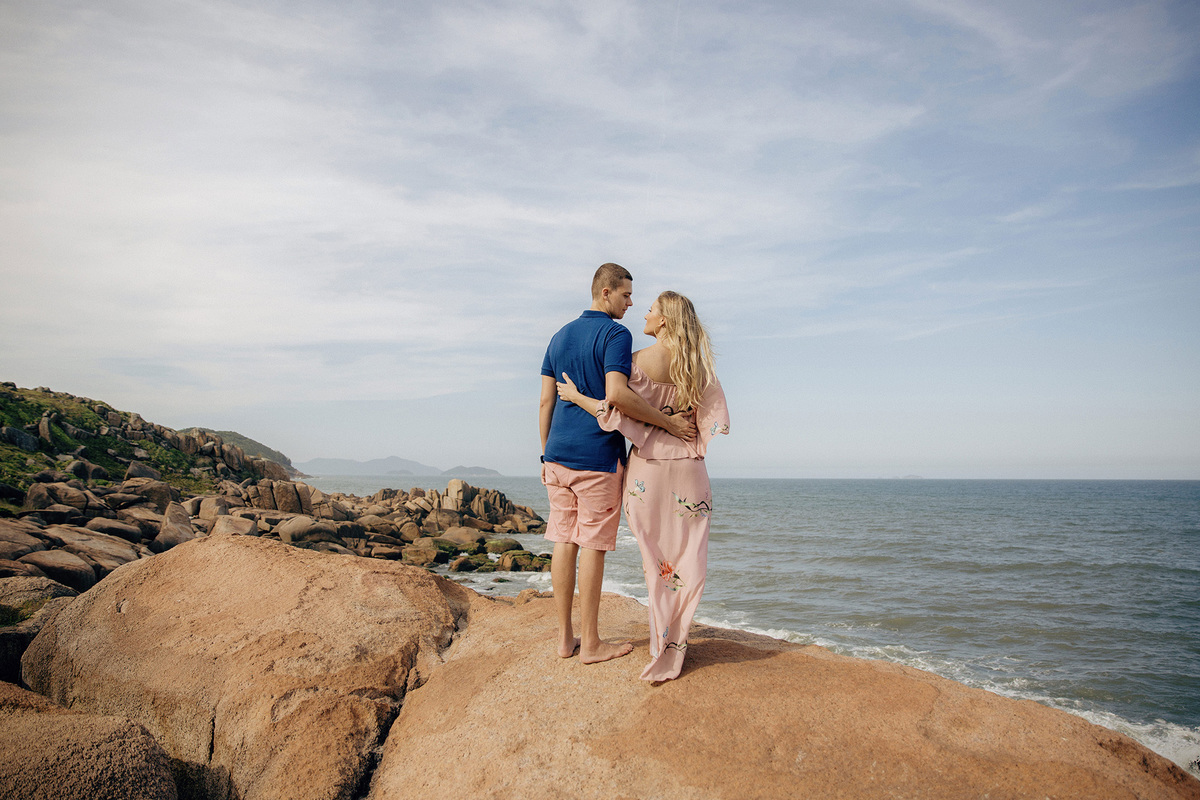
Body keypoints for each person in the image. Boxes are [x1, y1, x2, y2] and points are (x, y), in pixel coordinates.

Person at [556, 290, 729, 681]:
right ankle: (674, 643)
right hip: (689, 468)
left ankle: (660, 646)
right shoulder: (699, 368)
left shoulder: (635, 364)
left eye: (650, 309)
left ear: (664, 319)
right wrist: (689, 434)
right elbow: (714, 423)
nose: (644, 314)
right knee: (688, 561)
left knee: (657, 563)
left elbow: (611, 409)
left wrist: (575, 396)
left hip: (647, 469)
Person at [539, 264, 697, 664]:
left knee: (563, 541)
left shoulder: (558, 336)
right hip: (596, 457)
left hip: (557, 456)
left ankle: (564, 640)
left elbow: (545, 401)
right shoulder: (614, 334)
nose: (631, 303)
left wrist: (546, 452)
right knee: (592, 546)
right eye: (626, 295)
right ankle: (590, 644)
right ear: (605, 292)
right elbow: (619, 396)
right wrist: (668, 423)